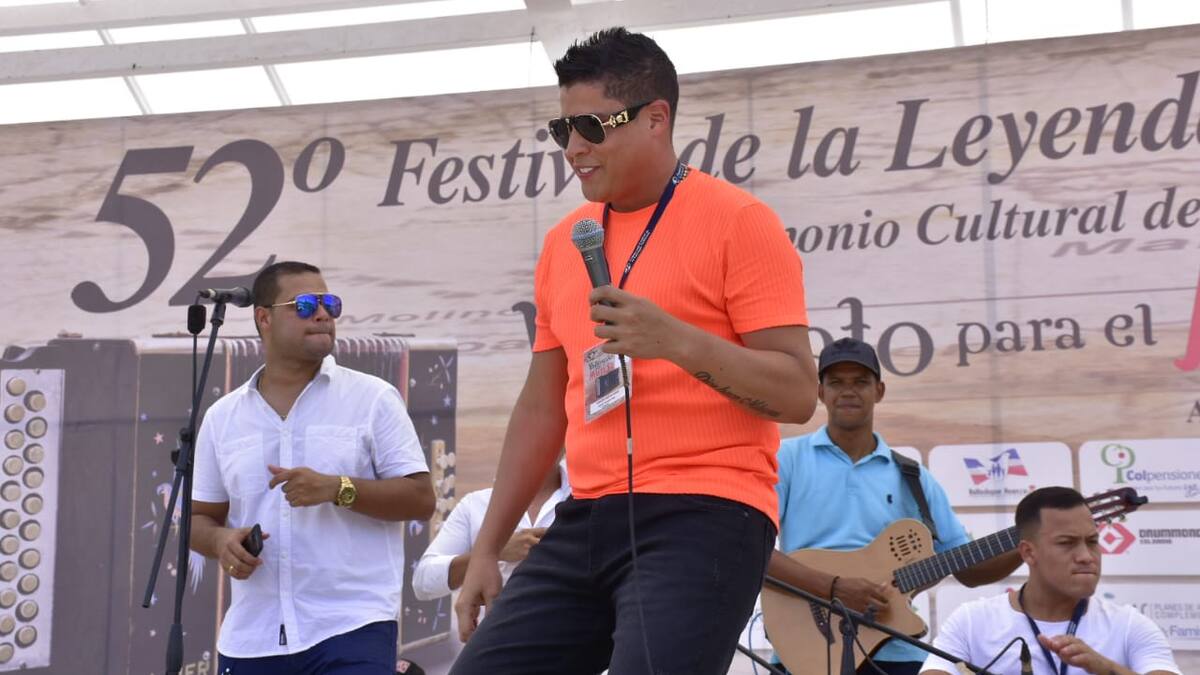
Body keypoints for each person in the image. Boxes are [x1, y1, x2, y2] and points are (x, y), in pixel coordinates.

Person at [450, 26, 817, 675]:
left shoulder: (739, 221)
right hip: (586, 514)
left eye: (591, 126)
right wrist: (486, 548)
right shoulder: (566, 241)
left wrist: (675, 340)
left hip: (706, 511)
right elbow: (542, 407)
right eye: (562, 129)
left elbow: (796, 393)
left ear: (656, 118)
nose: (574, 148)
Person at [189, 260, 435, 674]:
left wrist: (340, 489)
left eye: (330, 304)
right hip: (252, 639)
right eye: (304, 305)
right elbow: (198, 519)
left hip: (352, 627)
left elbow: (421, 499)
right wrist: (220, 541)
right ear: (264, 318)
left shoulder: (373, 398)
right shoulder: (222, 417)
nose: (322, 314)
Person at [768, 337, 1022, 675]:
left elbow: (968, 569)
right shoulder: (787, 459)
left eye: (860, 381)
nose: (848, 391)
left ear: (880, 391)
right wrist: (834, 588)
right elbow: (752, 551)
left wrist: (1027, 541)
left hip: (896, 651)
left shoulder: (914, 477)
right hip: (806, 651)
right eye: (836, 382)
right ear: (821, 393)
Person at [921, 487, 1181, 675]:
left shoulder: (1129, 625)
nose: (1086, 556)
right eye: (1067, 543)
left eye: (1092, 542)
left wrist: (1105, 668)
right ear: (1028, 552)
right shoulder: (971, 621)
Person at [411, 457, 570, 608]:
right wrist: (492, 553)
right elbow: (423, 581)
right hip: (492, 626)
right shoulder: (475, 505)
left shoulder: (580, 505)